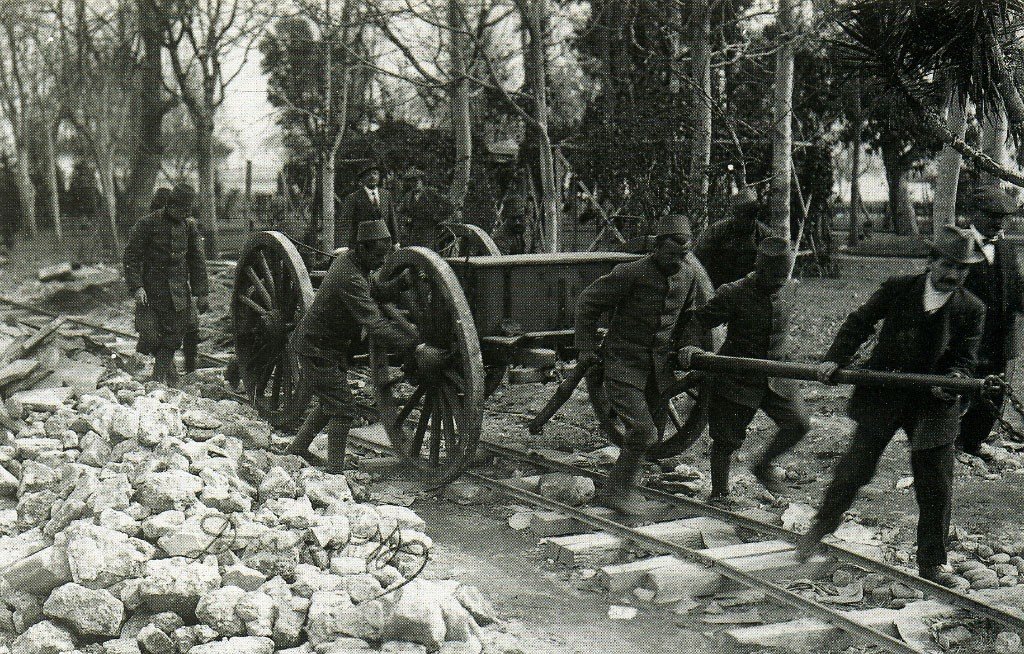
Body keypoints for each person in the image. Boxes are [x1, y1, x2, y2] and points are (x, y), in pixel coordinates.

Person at [798, 225, 988, 588]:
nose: (953, 274)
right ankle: (820, 527)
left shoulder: (971, 308)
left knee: (935, 484)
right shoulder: (899, 288)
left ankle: (933, 562)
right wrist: (836, 357)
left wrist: (952, 381)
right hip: (885, 390)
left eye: (962, 269)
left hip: (932, 403)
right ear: (931, 261)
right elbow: (860, 321)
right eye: (948, 265)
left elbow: (966, 358)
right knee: (855, 468)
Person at [285, 219, 443, 473]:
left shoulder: (354, 263)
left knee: (330, 402)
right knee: (343, 408)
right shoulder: (348, 276)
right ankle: (334, 469)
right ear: (362, 248)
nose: (382, 262)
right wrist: (416, 346)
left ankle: (297, 449)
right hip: (316, 349)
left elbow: (376, 291)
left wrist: (402, 282)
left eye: (385, 255)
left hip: (327, 347)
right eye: (378, 256)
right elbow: (375, 324)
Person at [575, 214, 703, 515]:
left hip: (658, 370)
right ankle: (615, 493)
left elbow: (689, 317)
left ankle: (628, 487)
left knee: (652, 434)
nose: (676, 262)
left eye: (682, 256)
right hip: (622, 363)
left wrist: (688, 344)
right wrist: (586, 347)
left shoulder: (689, 276)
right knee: (643, 431)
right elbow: (587, 303)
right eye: (671, 255)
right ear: (657, 247)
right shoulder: (631, 272)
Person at [678, 237, 811, 504]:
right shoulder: (733, 293)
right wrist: (691, 347)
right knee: (726, 439)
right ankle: (719, 494)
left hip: (776, 374)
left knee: (798, 424)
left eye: (783, 277)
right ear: (759, 270)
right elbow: (697, 321)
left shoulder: (790, 288)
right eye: (774, 278)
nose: (779, 283)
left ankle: (762, 465)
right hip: (737, 377)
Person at [955, 185, 1024, 458]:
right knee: (961, 386)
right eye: (992, 216)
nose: (999, 223)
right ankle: (951, 441)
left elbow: (1016, 290)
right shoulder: (957, 245)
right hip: (966, 336)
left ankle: (973, 442)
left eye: (1003, 217)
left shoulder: (1006, 248)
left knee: (994, 391)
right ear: (975, 213)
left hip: (999, 337)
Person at [124, 183, 210, 385]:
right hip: (151, 292)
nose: (184, 215)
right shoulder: (147, 223)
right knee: (150, 336)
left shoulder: (189, 227)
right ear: (170, 205)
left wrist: (202, 293)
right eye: (181, 210)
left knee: (173, 338)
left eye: (187, 211)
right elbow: (131, 256)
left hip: (178, 293)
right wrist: (137, 286)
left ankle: (159, 379)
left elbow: (197, 260)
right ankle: (159, 375)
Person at [694, 189, 766, 288]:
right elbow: (697, 261)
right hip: (717, 288)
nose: (737, 220)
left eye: (744, 216)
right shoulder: (717, 231)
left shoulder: (764, 235)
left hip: (749, 290)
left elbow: (770, 270)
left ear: (753, 216)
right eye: (736, 215)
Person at [336, 162, 399, 249]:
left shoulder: (386, 195)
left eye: (375, 173)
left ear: (379, 177)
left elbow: (392, 219)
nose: (372, 176)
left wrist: (396, 242)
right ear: (362, 179)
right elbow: (345, 223)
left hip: (384, 245)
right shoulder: (353, 198)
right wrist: (343, 246)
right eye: (368, 174)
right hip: (362, 246)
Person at [400, 167, 453, 249]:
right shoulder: (408, 196)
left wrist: (438, 218)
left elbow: (449, 206)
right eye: (412, 181)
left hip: (430, 231)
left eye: (416, 180)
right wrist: (406, 219)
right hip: (413, 232)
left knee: (427, 253)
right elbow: (401, 211)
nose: (414, 183)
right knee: (415, 252)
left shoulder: (431, 193)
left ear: (421, 181)